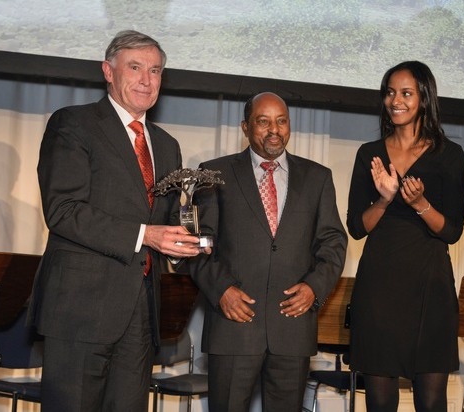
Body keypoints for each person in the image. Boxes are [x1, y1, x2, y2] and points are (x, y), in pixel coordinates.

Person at [28, 30, 203, 412]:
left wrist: (188, 242)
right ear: (108, 71)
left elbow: (166, 222)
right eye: (135, 68)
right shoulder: (73, 124)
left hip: (140, 315)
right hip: (80, 311)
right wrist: (147, 234)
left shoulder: (167, 144)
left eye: (155, 70)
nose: (146, 80)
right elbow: (63, 210)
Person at [190, 91, 347, 412]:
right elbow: (199, 243)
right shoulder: (213, 174)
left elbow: (333, 243)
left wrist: (314, 288)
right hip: (233, 326)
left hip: (292, 327)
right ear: (246, 127)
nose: (274, 129)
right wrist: (220, 291)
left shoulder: (318, 178)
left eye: (281, 121)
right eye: (263, 122)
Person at [347, 61, 464, 412]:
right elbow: (357, 227)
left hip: (430, 289)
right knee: (380, 402)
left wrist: (421, 203)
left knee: (431, 402)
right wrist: (385, 198)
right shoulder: (369, 154)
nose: (395, 100)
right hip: (379, 289)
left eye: (406, 93)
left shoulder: (449, 154)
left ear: (424, 99)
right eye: (390, 92)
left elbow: (453, 231)